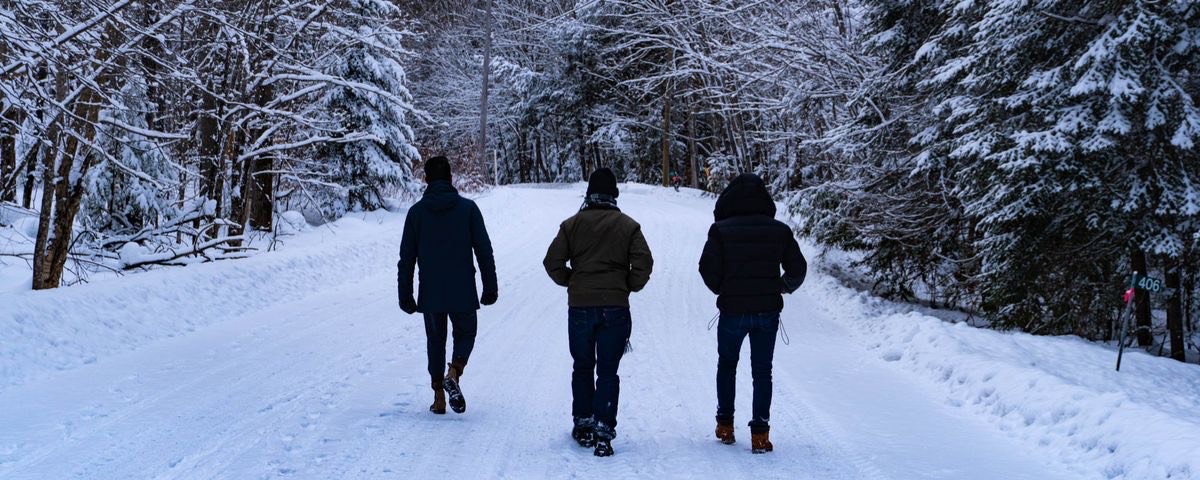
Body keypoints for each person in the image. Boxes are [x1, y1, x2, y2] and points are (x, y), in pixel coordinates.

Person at [543, 168, 653, 457]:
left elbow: (552, 262)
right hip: (615, 307)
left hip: (579, 306)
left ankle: (583, 424)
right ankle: (604, 429)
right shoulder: (629, 226)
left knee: (582, 366)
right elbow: (644, 262)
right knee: (608, 370)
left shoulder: (571, 225)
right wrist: (627, 285)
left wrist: (573, 281)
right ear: (614, 194)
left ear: (589, 193)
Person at [698, 173, 806, 454]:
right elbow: (798, 269)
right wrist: (780, 287)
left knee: (727, 365)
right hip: (767, 311)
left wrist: (724, 288)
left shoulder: (720, 230)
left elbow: (706, 268)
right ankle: (760, 434)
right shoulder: (779, 231)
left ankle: (725, 426)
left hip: (732, 310)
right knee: (762, 371)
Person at [397, 156, 498, 416]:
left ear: (426, 180)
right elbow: (484, 250)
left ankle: (439, 396)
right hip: (462, 287)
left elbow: (406, 259)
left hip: (431, 290)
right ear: (451, 178)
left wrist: (405, 295)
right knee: (466, 333)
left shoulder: (416, 214)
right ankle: (454, 371)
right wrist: (490, 286)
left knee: (435, 340)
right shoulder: (468, 209)